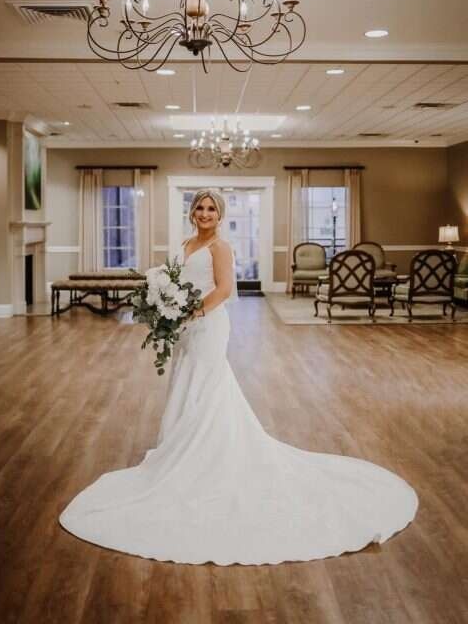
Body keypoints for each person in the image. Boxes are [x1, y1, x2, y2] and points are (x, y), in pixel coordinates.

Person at [59, 189, 418, 565]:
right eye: (199, 207)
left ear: (220, 213)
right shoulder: (185, 243)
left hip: (207, 324)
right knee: (185, 382)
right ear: (191, 211)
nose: (204, 213)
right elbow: (176, 282)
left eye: (211, 208)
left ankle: (205, 454)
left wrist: (189, 314)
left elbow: (225, 289)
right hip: (185, 326)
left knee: (206, 384)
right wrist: (167, 309)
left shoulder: (220, 247)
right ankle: (181, 448)